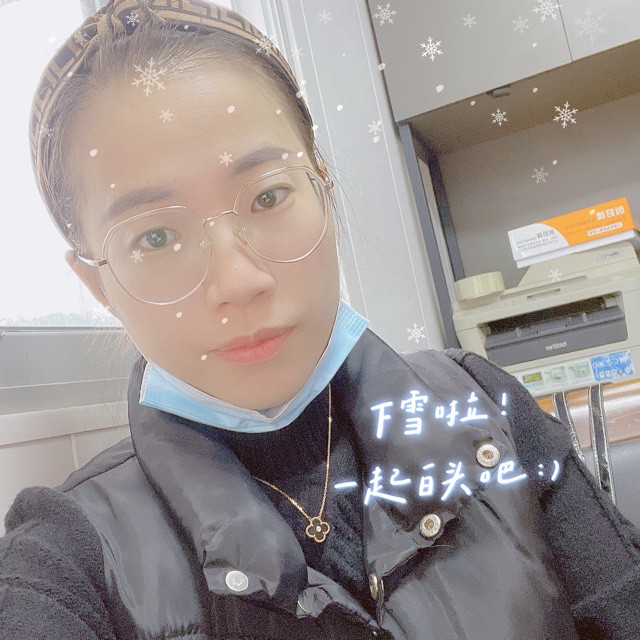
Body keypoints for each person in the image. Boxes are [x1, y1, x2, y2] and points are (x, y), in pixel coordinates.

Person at [1, 1, 639, 638]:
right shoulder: (70, 553)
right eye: (156, 237)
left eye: (268, 195)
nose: (240, 281)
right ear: (98, 284)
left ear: (323, 191)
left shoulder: (482, 404)